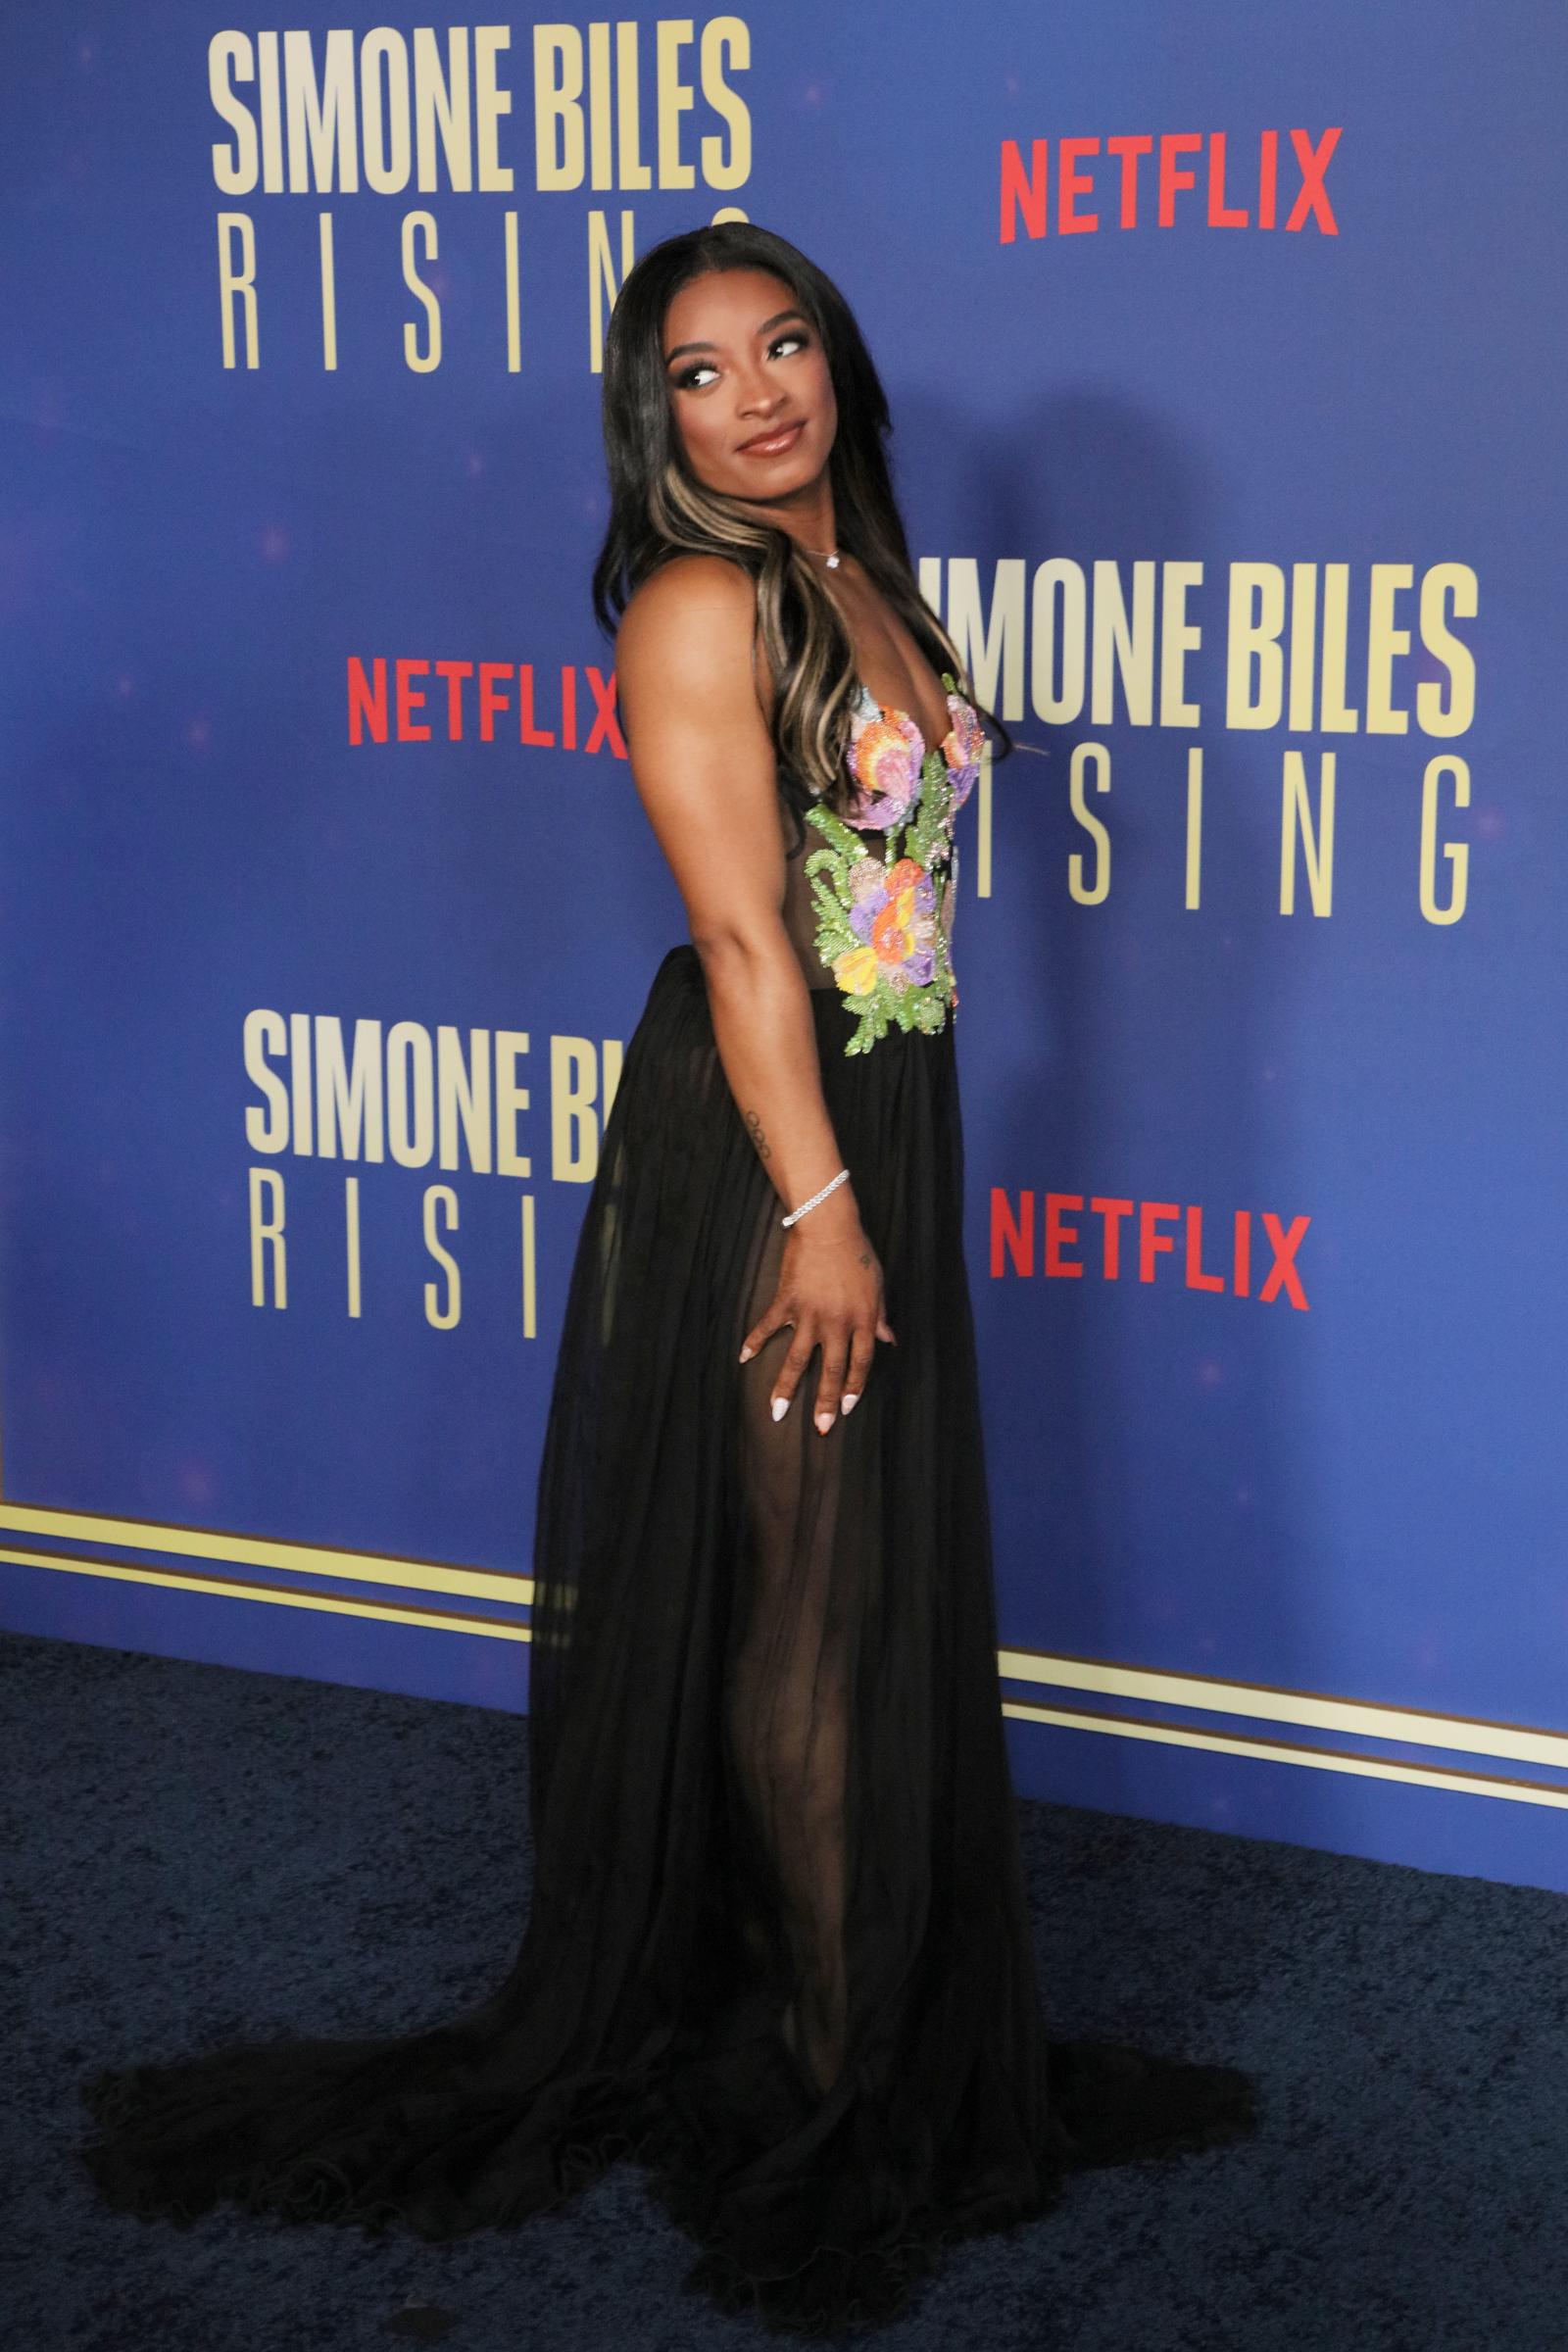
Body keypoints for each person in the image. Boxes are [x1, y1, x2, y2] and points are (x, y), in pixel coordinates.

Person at [74, 221, 1258, 2333]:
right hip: (768, 1135)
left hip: (875, 1099)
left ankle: (875, 2025)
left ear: (834, 362)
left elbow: (884, 895)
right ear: (657, 424)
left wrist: (868, 1154)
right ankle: (820, 2086)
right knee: (803, 1600)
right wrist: (816, 1205)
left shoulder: (855, 584)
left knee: (857, 1590)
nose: (757, 391)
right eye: (699, 371)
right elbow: (737, 941)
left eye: (782, 342)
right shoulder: (703, 601)